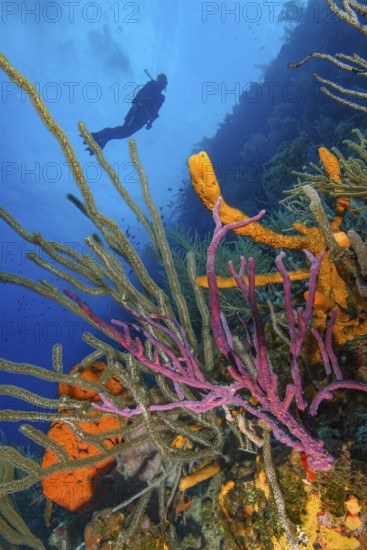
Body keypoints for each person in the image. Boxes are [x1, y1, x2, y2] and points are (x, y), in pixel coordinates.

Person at [85, 72, 168, 154]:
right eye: (160, 80)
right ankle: (99, 136)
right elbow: (140, 93)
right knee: (124, 131)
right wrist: (135, 104)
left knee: (125, 133)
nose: (161, 83)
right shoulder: (151, 85)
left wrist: (150, 122)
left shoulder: (161, 98)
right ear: (158, 80)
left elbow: (156, 111)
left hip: (143, 119)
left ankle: (102, 139)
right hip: (138, 110)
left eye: (163, 82)